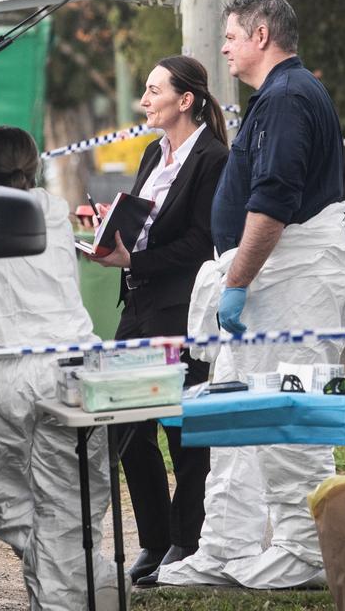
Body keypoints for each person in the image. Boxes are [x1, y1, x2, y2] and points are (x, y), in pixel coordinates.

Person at [158, 0, 345, 589]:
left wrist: (235, 282)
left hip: (290, 286)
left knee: (288, 416)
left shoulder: (288, 98)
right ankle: (223, 549)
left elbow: (275, 202)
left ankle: (307, 550)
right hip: (264, 284)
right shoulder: (275, 97)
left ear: (261, 36)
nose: (224, 46)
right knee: (237, 420)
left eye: (231, 35)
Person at [86, 56, 230, 585]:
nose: (144, 101)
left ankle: (186, 539)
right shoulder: (153, 152)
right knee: (127, 421)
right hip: (139, 303)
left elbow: (201, 242)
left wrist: (136, 260)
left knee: (183, 424)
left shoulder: (212, 159)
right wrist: (112, 235)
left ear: (185, 100)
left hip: (179, 307)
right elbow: (146, 224)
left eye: (153, 91)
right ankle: (155, 537)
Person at [0, 126, 118, 611]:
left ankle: (70, 596)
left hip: (4, 373)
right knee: (75, 505)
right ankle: (94, 588)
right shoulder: (54, 213)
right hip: (77, 368)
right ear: (34, 166)